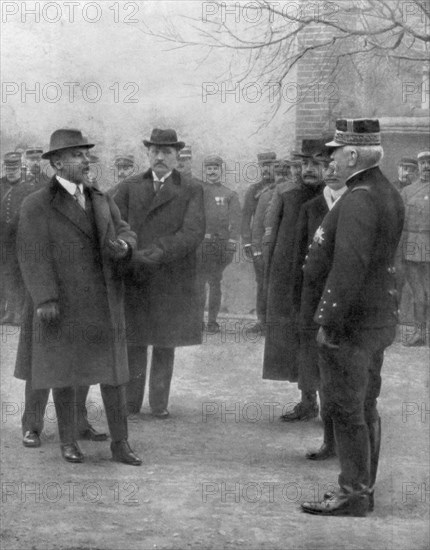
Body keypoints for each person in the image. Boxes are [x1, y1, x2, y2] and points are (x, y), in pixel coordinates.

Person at [14, 128, 142, 466]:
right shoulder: (37, 204)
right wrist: (45, 299)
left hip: (105, 304)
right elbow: (31, 254)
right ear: (57, 163)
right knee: (65, 375)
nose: (86, 161)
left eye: (86, 154)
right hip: (64, 305)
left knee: (113, 375)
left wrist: (125, 245)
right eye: (77, 155)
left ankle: (121, 444)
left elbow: (125, 228)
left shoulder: (101, 199)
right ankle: (68, 442)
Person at [301, 118, 404, 517]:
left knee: (346, 407)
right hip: (373, 319)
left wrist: (328, 319)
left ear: (353, 154)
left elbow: (349, 266)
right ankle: (362, 489)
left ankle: (354, 493)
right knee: (365, 404)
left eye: (335, 153)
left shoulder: (360, 197)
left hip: (352, 323)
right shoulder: (382, 191)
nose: (330, 160)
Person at [114, 128, 205, 418]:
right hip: (136, 275)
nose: (160, 157)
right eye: (155, 151)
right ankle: (131, 402)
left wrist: (161, 251)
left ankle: (159, 403)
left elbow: (192, 232)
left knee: (165, 342)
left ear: (177, 156)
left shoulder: (191, 188)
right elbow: (116, 224)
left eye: (167, 152)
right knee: (135, 340)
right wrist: (130, 251)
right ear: (148, 154)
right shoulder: (129, 186)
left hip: (171, 277)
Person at [262, 139, 326, 409]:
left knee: (321, 339)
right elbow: (271, 237)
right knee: (296, 338)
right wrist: (270, 277)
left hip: (322, 280)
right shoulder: (285, 193)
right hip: (289, 278)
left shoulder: (336, 196)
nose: (309, 169)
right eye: (305, 163)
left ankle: (329, 403)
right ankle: (306, 400)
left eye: (316, 164)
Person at [197, 154, 241, 333]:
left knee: (215, 282)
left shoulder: (229, 194)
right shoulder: (198, 190)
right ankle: (197, 320)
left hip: (220, 245)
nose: (212, 171)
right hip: (201, 243)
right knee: (199, 283)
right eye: (209, 168)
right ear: (205, 171)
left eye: (215, 168)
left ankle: (212, 321)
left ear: (221, 170)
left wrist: (231, 243)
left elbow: (236, 221)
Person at [0, 152, 41, 325]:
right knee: (6, 273)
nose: (11, 172)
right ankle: (9, 312)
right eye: (8, 169)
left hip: (21, 237)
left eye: (14, 169)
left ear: (20, 168)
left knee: (21, 274)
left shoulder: (28, 188)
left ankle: (20, 313)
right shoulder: (0, 185)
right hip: (3, 238)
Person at [241, 152, 276, 332]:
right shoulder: (254, 190)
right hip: (258, 244)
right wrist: (247, 242)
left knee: (274, 283)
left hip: (275, 243)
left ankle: (274, 321)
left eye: (270, 165)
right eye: (263, 165)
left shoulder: (281, 187)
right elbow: (246, 217)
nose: (267, 169)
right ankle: (262, 321)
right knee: (262, 282)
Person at [399, 151, 430, 346]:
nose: (426, 166)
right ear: (418, 167)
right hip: (412, 242)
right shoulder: (408, 191)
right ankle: (419, 333)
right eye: (423, 163)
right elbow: (399, 220)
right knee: (418, 291)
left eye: (429, 163)